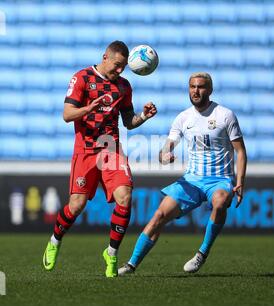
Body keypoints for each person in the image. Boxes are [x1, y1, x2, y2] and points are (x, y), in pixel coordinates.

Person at [42, 41, 157, 277]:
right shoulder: (82, 78)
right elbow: (67, 115)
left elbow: (128, 122)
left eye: (124, 66)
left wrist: (144, 116)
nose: (120, 71)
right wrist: (88, 108)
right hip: (85, 150)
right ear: (105, 57)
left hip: (111, 149)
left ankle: (112, 254)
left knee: (124, 198)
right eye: (117, 65)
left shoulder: (124, 86)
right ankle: (54, 240)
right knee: (77, 205)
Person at [118, 72, 247, 276]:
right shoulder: (183, 118)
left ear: (210, 90)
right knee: (159, 215)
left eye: (201, 87)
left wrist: (239, 182)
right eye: (192, 87)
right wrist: (165, 155)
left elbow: (240, 151)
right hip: (192, 180)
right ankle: (131, 264)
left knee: (221, 202)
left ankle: (202, 253)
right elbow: (163, 151)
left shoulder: (225, 115)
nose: (196, 91)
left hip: (219, 180)